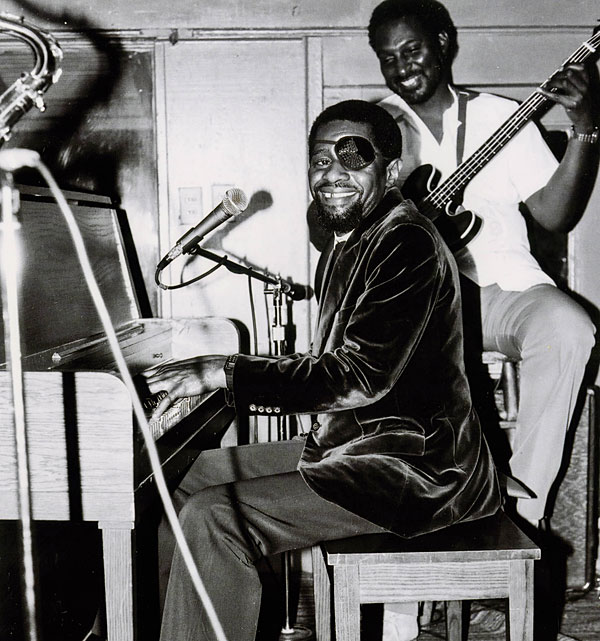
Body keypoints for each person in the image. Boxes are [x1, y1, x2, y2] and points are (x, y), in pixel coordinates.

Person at [142, 99, 501, 641]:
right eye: (320, 160)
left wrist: (225, 372)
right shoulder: (351, 240)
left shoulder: (406, 241)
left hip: (417, 471)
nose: (332, 172)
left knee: (212, 517)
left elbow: (359, 375)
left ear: (391, 171)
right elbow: (328, 363)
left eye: (353, 157)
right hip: (358, 448)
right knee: (179, 475)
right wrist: (224, 373)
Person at [368, 0, 598, 530]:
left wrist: (585, 128)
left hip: (503, 290)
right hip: (418, 304)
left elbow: (555, 214)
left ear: (443, 43)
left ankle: (520, 520)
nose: (401, 67)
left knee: (569, 329)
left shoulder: (500, 116)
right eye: (388, 57)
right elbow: (331, 220)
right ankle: (413, 550)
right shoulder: (372, 127)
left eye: (412, 50)